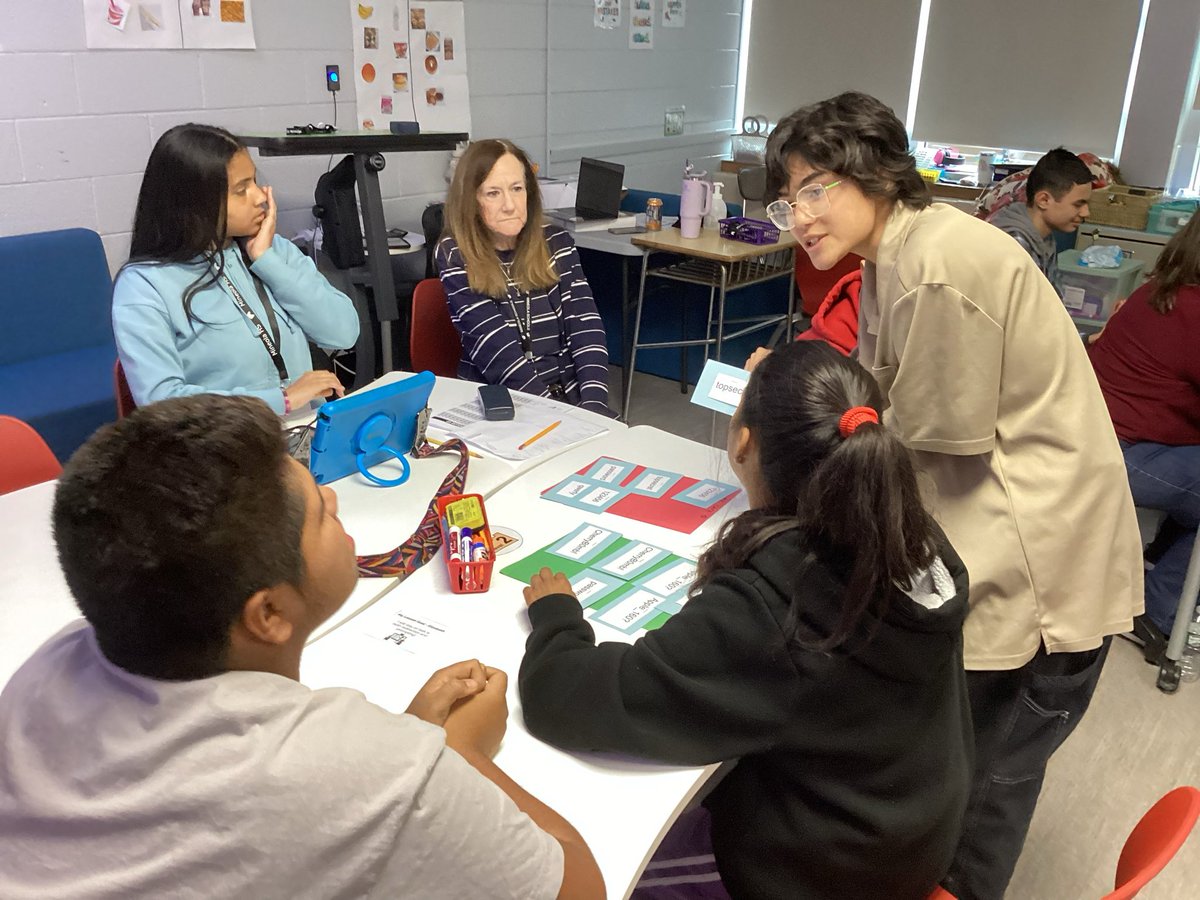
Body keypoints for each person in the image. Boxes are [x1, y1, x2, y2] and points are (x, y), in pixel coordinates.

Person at [754, 92, 1142, 900]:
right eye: (788, 198)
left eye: (815, 188)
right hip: (997, 538)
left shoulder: (936, 267)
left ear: (873, 173)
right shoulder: (893, 258)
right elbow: (880, 406)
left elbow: (913, 459)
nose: (800, 216)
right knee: (949, 768)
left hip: (1040, 571)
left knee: (984, 791)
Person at [0, 395, 603, 900]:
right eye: (317, 513)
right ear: (269, 615)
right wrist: (457, 752)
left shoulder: (52, 665)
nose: (334, 501)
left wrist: (410, 747)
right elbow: (579, 887)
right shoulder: (367, 769)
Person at [519, 340, 974, 900]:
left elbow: (567, 698)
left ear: (742, 442)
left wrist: (557, 618)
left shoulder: (772, 608)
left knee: (584, 868)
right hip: (904, 832)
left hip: (825, 874)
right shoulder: (912, 537)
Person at [113, 123, 359, 415]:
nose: (260, 197)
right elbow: (161, 403)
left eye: (254, 181)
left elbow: (344, 333)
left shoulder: (273, 249)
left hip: (306, 428)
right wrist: (281, 399)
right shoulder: (145, 284)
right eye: (241, 190)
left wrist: (266, 261)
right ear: (193, 202)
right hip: (226, 439)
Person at [1088, 211, 1200, 657]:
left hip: (1097, 434)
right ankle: (1158, 614)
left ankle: (1158, 565)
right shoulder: (1193, 310)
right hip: (1119, 450)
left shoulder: (1157, 290)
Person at [435, 139, 611, 414]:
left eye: (517, 189)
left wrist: (595, 405)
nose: (509, 205)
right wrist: (558, 416)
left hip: (570, 399)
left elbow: (585, 328)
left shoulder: (556, 242)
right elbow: (496, 351)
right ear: (471, 201)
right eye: (493, 193)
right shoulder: (455, 254)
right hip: (501, 403)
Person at [987, 147, 1093, 297]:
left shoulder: (1043, 237)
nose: (1086, 213)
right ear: (1044, 200)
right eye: (1078, 204)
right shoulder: (1016, 245)